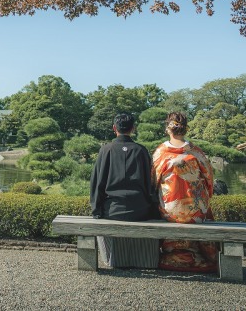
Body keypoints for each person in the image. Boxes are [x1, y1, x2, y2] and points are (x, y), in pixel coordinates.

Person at [152, 111, 219, 272]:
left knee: (165, 209)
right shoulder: (196, 152)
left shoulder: (160, 153)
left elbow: (153, 182)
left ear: (168, 129)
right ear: (185, 129)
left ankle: (171, 257)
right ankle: (199, 256)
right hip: (195, 208)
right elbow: (209, 179)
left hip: (171, 209)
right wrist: (204, 197)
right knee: (202, 210)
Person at [89, 112, 158, 268]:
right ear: (133, 128)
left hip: (112, 210)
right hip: (140, 210)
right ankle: (142, 260)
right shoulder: (141, 150)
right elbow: (150, 184)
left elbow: (97, 183)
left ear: (114, 128)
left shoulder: (106, 150)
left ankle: (111, 259)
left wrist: (96, 209)